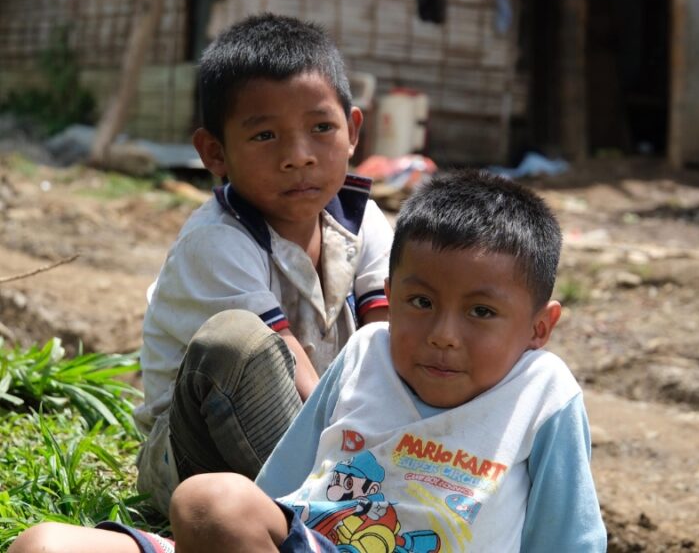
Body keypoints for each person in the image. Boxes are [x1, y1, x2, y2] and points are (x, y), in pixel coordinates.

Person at [10, 170, 606, 553]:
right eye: (420, 303)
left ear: (539, 327)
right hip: (309, 541)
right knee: (45, 546)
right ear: (390, 294)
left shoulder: (543, 394)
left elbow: (569, 541)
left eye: (480, 313)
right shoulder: (368, 351)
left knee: (211, 504)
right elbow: (280, 490)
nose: (443, 335)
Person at [132, 12, 393, 516]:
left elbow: (386, 337)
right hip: (197, 462)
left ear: (353, 129)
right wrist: (359, 454)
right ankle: (331, 520)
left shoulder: (364, 221)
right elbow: (287, 358)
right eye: (265, 136)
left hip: (332, 445)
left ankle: (343, 508)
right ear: (214, 152)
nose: (298, 156)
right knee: (238, 340)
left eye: (321, 128)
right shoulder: (216, 242)